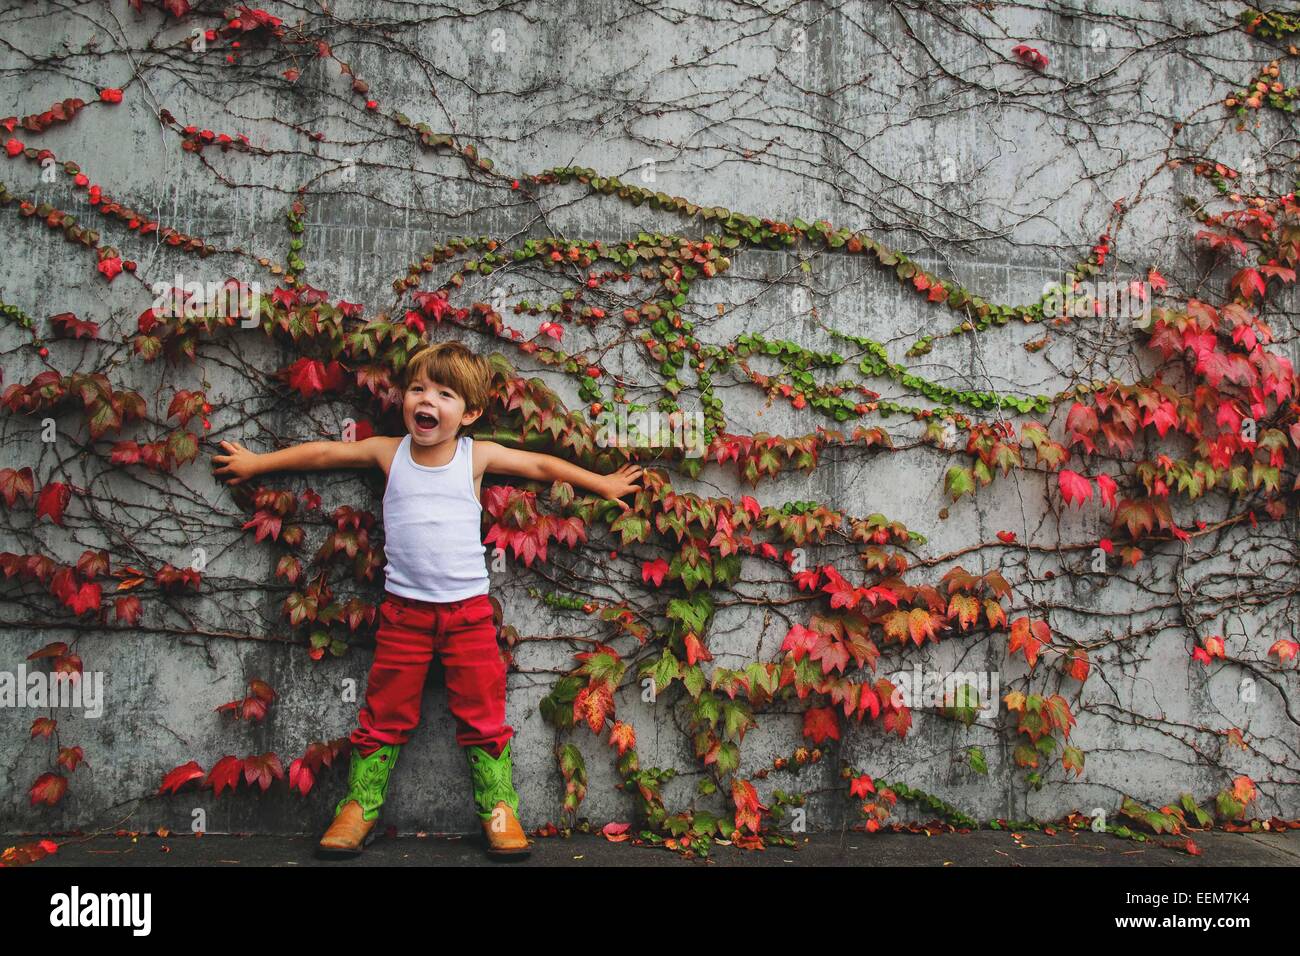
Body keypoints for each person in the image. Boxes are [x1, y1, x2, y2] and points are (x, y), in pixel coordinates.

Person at [211, 340, 642, 859]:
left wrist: (602, 481)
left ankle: (498, 807)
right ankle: (361, 805)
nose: (427, 400)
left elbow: (542, 468)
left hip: (468, 615)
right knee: (385, 709)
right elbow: (325, 453)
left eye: (444, 393)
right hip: (404, 614)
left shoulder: (475, 455)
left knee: (483, 710)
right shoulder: (387, 451)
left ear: (471, 412)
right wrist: (259, 464)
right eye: (418, 389)